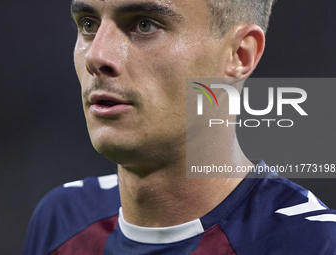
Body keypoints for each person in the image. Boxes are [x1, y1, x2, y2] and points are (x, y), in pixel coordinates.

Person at [23, 0, 336, 254]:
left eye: (145, 24)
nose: (97, 55)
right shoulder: (60, 220)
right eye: (88, 24)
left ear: (240, 54)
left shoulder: (310, 242)